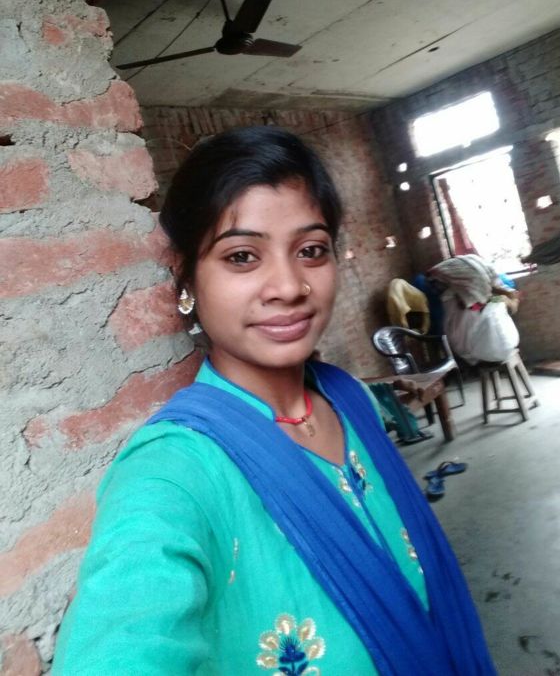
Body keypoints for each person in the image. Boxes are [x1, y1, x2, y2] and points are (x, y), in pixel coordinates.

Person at [52, 127, 495, 675]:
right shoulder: (172, 470)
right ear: (186, 278)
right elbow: (124, 637)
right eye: (242, 256)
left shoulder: (354, 401)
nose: (288, 286)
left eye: (311, 251)